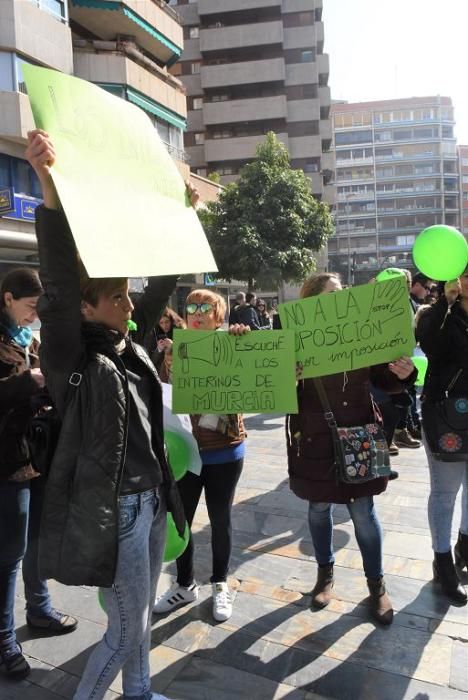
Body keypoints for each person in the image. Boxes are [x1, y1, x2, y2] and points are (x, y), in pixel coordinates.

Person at [26, 128, 186, 700]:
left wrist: (179, 220)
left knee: (141, 615)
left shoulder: (127, 344)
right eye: (116, 296)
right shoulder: (71, 350)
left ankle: (139, 693)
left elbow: (157, 294)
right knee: (125, 626)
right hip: (112, 508)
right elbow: (60, 285)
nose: (128, 303)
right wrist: (50, 189)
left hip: (149, 499)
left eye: (126, 296)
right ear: (88, 305)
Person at [286, 272, 416, 625]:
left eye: (342, 293)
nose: (340, 299)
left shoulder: (362, 330)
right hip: (314, 435)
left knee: (363, 510)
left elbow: (383, 378)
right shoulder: (294, 338)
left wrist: (403, 373)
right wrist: (289, 375)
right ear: (312, 301)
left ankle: (377, 586)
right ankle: (324, 574)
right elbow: (273, 387)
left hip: (358, 430)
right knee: (318, 507)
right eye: (331, 294)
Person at [0, 268, 78, 680]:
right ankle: (3, 638)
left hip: (34, 451)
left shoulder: (29, 338)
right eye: (30, 307)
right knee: (10, 552)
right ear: (8, 298)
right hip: (6, 462)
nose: (34, 316)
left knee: (37, 539)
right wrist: (25, 385)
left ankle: (40, 606)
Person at [154, 290, 248, 622]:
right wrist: (166, 361)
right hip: (186, 452)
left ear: (219, 315)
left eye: (205, 307)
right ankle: (184, 584)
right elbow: (164, 396)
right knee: (181, 521)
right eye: (191, 306)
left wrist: (242, 341)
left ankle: (220, 584)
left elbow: (255, 379)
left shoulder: (234, 343)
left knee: (220, 520)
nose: (196, 312)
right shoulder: (176, 349)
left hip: (225, 450)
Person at [417, 270, 468, 605]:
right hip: (448, 417)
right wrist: (443, 304)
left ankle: (465, 547)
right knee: (446, 493)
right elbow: (431, 348)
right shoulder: (436, 316)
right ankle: (443, 563)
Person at [152, 307, 185, 371]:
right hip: (163, 372)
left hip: (179, 370)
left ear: (172, 321)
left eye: (167, 322)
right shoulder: (156, 333)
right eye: (161, 323)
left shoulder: (180, 330)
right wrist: (159, 349)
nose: (164, 326)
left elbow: (186, 355)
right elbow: (152, 361)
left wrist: (173, 346)